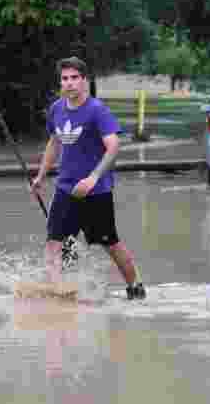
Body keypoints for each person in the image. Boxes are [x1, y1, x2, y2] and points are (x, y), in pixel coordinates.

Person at [30, 57, 146, 300]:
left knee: (110, 244)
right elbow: (54, 142)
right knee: (54, 243)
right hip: (65, 191)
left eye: (74, 78)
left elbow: (113, 146)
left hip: (96, 192)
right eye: (65, 78)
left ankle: (135, 287)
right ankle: (57, 295)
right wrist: (41, 175)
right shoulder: (56, 109)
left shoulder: (97, 111)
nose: (69, 83)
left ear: (84, 81)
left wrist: (93, 178)